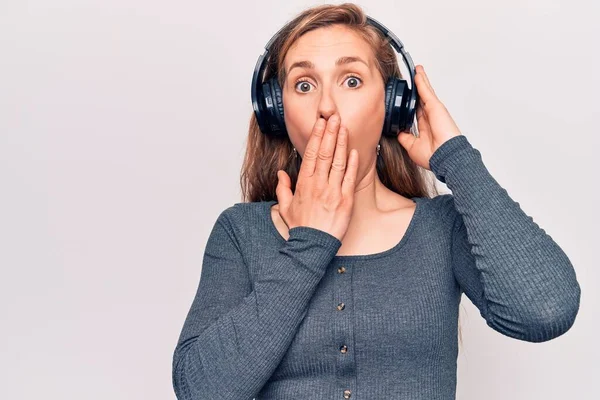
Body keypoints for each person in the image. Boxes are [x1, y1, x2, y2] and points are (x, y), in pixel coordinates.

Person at [171, 3, 581, 399]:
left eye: (351, 80)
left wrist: (455, 158)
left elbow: (546, 312)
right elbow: (201, 389)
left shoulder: (441, 228)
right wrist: (309, 242)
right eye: (304, 85)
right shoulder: (241, 231)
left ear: (391, 104)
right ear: (277, 112)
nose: (327, 107)